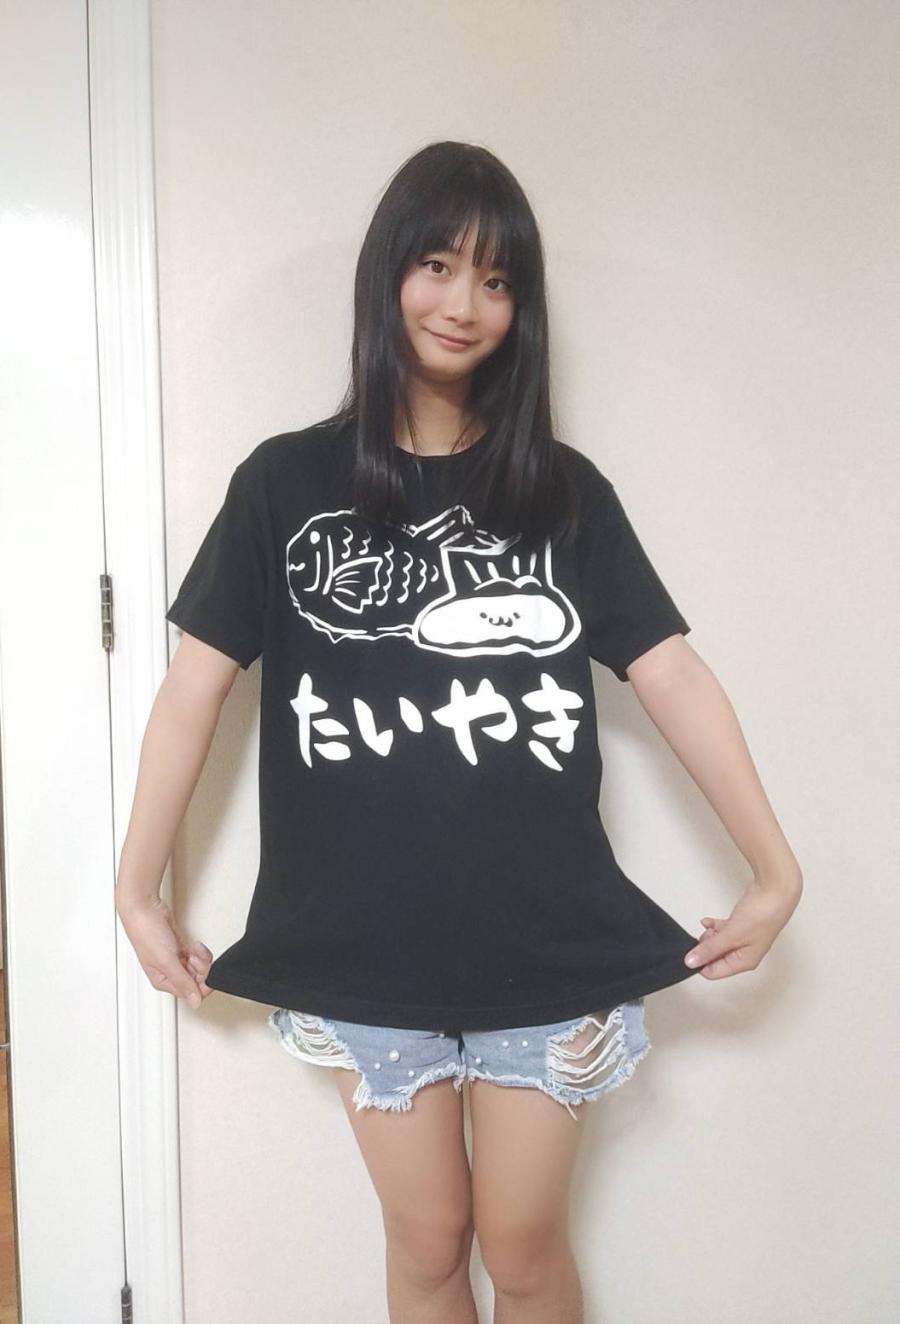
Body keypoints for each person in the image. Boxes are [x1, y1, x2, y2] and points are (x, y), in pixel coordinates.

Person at [115, 141, 803, 1324]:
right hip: (359, 938)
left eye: (497, 279)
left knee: (523, 1246)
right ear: (389, 273)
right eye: (437, 265)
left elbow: (673, 672)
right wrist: (137, 888)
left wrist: (775, 868)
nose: (463, 303)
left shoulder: (563, 493)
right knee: (428, 1240)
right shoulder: (285, 483)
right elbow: (192, 690)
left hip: (544, 934)